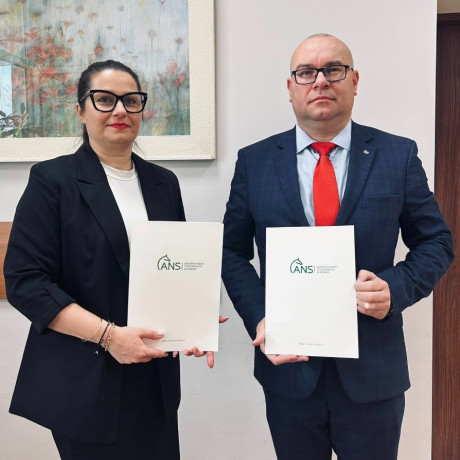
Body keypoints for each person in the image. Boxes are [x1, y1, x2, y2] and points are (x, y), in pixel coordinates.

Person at [222, 34, 455, 459]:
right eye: (306, 73)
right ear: (290, 87)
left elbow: (437, 241)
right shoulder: (254, 162)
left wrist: (395, 289)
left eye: (333, 69)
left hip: (373, 370)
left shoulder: (397, 155)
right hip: (289, 370)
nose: (320, 81)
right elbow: (230, 251)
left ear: (354, 80)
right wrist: (259, 316)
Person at [4, 60, 222, 460]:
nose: (120, 110)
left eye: (131, 100)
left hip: (153, 377)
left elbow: (174, 266)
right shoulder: (53, 180)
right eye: (104, 100)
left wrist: (194, 319)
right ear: (81, 110)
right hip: (83, 379)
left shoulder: (163, 183)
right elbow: (25, 281)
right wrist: (109, 336)